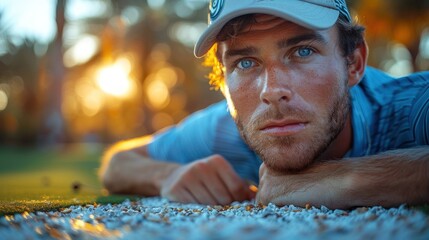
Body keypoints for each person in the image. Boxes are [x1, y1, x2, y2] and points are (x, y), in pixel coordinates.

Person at [99, 0, 429, 209]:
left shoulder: (414, 106)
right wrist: (167, 176)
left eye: (302, 52)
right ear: (223, 81)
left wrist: (346, 178)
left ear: (354, 63)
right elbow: (118, 164)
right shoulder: (226, 131)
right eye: (245, 63)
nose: (272, 92)